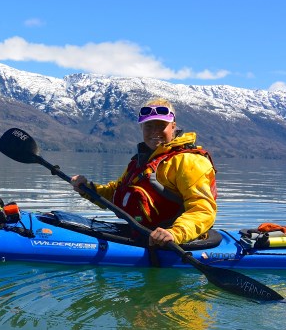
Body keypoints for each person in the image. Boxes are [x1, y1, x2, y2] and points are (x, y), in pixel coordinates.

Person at [71, 98, 217, 248]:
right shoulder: (141, 161)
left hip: (176, 243)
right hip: (144, 236)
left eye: (161, 125)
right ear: (141, 128)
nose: (154, 131)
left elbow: (203, 210)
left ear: (173, 127)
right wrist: (86, 188)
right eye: (149, 126)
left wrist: (174, 233)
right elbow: (115, 193)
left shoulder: (189, 161)